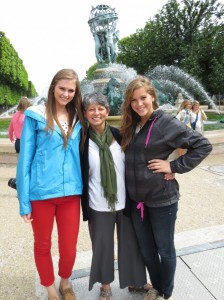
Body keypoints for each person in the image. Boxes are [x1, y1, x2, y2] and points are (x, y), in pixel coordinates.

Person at [120, 76, 212, 300]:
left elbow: (203, 145)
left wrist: (173, 166)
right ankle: (158, 285)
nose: (139, 103)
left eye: (143, 98)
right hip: (138, 202)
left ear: (152, 96)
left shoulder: (165, 123)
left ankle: (165, 291)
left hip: (162, 199)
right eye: (134, 100)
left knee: (164, 249)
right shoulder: (132, 125)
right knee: (148, 251)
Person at [16, 69, 86, 300]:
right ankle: (51, 289)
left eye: (71, 90)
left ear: (76, 92)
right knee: (43, 245)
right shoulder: (35, 116)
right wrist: (24, 202)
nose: (65, 93)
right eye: (62, 88)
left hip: (71, 193)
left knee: (69, 248)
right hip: (42, 194)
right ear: (53, 87)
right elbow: (25, 160)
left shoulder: (79, 117)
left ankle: (65, 282)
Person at [81, 92, 148, 300]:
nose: (96, 113)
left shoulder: (120, 135)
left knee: (131, 244)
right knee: (102, 247)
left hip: (125, 201)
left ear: (107, 111)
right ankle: (106, 285)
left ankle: (135, 281)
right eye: (91, 109)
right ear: (85, 113)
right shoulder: (82, 142)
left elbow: (138, 160)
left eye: (100, 108)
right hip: (98, 204)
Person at [8, 96, 31, 190]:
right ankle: (24, 184)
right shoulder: (27, 116)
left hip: (18, 142)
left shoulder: (15, 115)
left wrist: (11, 138)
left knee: (20, 164)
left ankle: (18, 181)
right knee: (27, 165)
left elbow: (10, 129)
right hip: (25, 142)